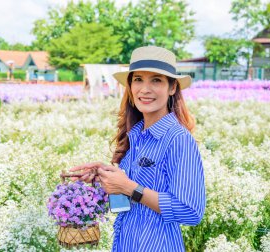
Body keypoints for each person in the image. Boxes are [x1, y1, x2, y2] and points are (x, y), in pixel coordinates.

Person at [70, 46, 206, 251]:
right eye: (138, 79)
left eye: (156, 80)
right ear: (130, 86)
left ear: (172, 88)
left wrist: (128, 187)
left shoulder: (178, 139)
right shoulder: (136, 136)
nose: (145, 89)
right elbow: (128, 200)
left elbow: (190, 211)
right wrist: (105, 179)